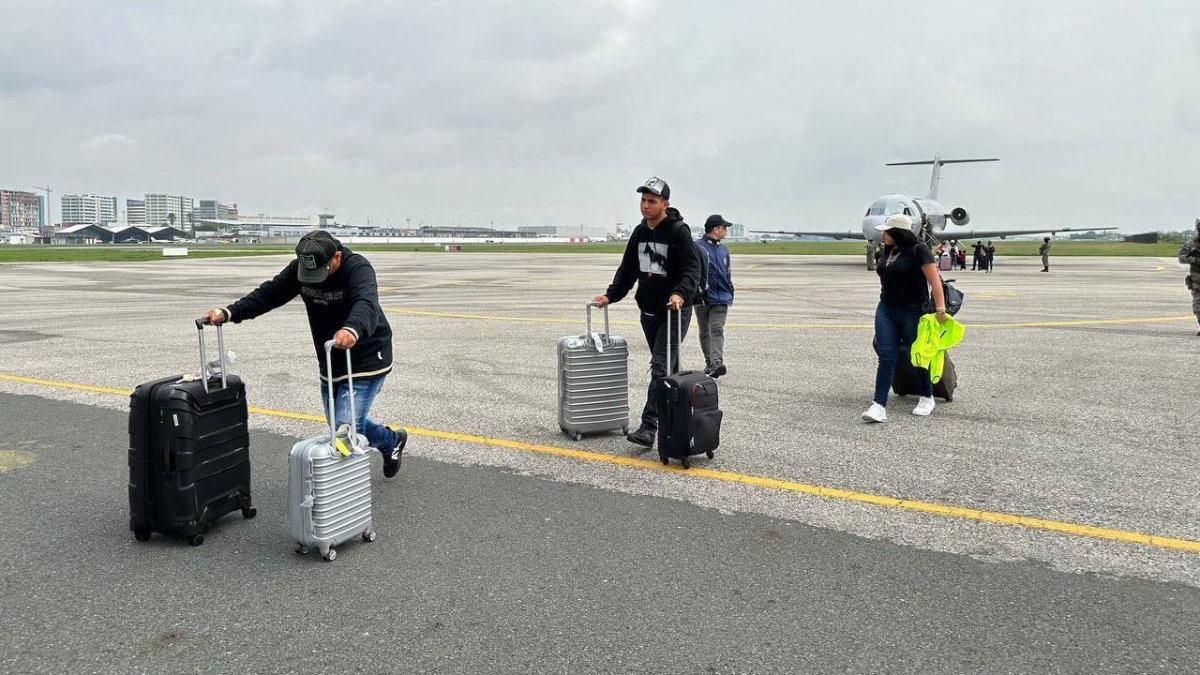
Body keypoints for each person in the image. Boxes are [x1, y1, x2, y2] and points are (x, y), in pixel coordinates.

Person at [202, 230, 408, 477]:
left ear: (337, 257)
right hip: (331, 358)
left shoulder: (358, 268)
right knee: (339, 426)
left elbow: (366, 302)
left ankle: (343, 488)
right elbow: (270, 293)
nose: (314, 279)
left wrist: (352, 328)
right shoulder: (300, 270)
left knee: (346, 428)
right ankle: (391, 440)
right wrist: (230, 312)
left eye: (321, 271)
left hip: (366, 355)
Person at [593, 177, 701, 447]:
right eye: (643, 200)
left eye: (652, 201)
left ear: (665, 204)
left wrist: (680, 293)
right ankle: (678, 419)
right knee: (669, 369)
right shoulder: (640, 233)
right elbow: (628, 269)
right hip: (649, 311)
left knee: (660, 367)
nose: (645, 205)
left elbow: (692, 269)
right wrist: (611, 295)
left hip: (674, 311)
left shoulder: (678, 232)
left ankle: (649, 426)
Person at [862, 214, 947, 423]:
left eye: (886, 231)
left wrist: (940, 308)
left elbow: (934, 281)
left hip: (912, 310)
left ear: (897, 233)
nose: (883, 234)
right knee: (886, 354)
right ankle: (878, 405)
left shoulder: (919, 251)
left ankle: (927, 396)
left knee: (915, 353)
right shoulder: (888, 251)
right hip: (886, 308)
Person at [695, 214, 734, 378]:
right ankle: (709, 362)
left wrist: (730, 289)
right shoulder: (697, 247)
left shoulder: (724, 250)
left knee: (716, 329)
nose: (726, 231)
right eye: (724, 228)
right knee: (704, 331)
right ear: (716, 229)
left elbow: (727, 272)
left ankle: (717, 362)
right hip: (702, 297)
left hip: (722, 297)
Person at [1179, 219, 1200, 335]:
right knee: (1197, 308)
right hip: (1197, 283)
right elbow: (1181, 257)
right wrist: (1195, 260)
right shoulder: (1191, 244)